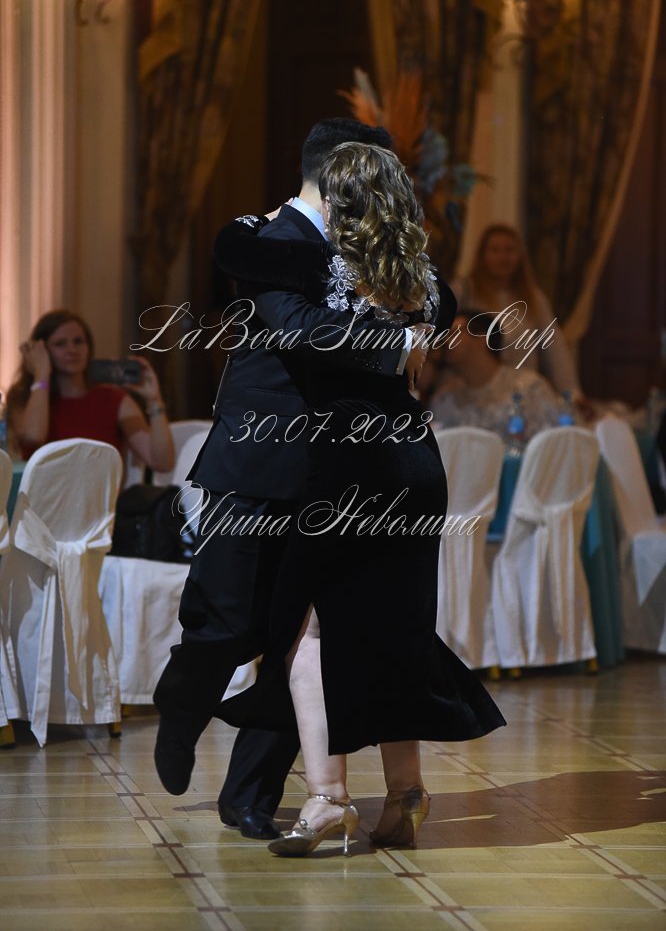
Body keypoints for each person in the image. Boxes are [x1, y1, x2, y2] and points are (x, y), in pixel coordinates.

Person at [217, 142, 506, 857]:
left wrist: (268, 227)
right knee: (394, 628)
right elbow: (444, 307)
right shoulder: (421, 277)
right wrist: (405, 337)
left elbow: (271, 289)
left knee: (309, 629)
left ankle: (327, 799)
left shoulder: (322, 269)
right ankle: (405, 794)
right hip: (415, 455)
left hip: (350, 456)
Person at [153, 119, 432, 840]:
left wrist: (420, 315)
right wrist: (396, 339)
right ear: (341, 171)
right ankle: (181, 707)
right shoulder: (268, 240)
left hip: (338, 468)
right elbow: (296, 324)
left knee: (300, 633)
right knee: (225, 621)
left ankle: (251, 791)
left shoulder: (362, 239)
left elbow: (435, 290)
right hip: (260, 459)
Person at [7, 309, 174, 472]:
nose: (72, 350)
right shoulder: (24, 397)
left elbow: (162, 462)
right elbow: (34, 437)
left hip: (99, 491)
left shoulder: (113, 400)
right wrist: (41, 374)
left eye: (78, 341)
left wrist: (154, 401)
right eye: (60, 344)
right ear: (41, 351)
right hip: (44, 490)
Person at [449, 224, 583, 401]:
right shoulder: (464, 292)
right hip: (471, 392)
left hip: (520, 392)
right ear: (482, 255)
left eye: (509, 250)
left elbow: (555, 350)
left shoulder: (533, 297)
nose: (503, 257)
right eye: (495, 250)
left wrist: (571, 392)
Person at [429, 310, 560, 439]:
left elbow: (552, 441)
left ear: (482, 338)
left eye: (454, 333)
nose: (445, 341)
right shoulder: (445, 399)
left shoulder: (529, 387)